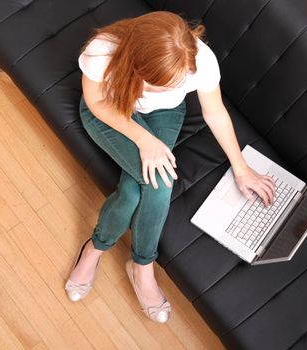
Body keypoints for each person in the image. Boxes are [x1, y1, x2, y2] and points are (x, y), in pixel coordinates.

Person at [65, 11, 276, 323]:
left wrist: (241, 167)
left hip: (164, 117)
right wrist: (142, 139)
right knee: (160, 184)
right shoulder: (103, 52)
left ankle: (114, 255)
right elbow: (96, 103)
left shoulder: (200, 60)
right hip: (112, 110)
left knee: (135, 190)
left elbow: (215, 112)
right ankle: (128, 260)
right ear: (134, 65)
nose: (168, 90)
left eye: (175, 83)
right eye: (157, 85)